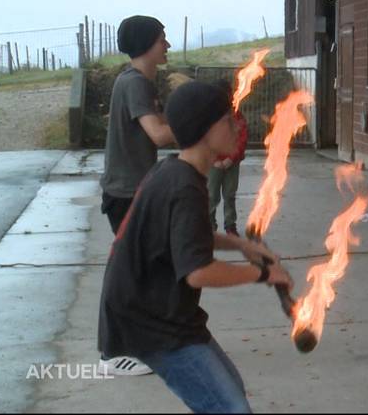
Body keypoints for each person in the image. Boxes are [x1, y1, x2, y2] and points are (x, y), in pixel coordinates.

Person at [98, 81, 293, 413]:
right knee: (229, 407)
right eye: (227, 121)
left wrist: (239, 244)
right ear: (205, 131)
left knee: (230, 391)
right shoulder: (183, 187)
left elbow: (185, 234)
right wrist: (263, 273)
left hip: (164, 314)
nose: (237, 126)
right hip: (149, 323)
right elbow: (198, 273)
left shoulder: (175, 170)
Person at [98, 14, 175, 376]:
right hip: (127, 193)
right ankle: (114, 353)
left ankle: (141, 340)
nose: (168, 45)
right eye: (163, 39)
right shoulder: (136, 85)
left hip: (132, 190)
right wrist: (202, 124)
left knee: (145, 269)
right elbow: (159, 135)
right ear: (147, 44)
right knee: (128, 272)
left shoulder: (138, 81)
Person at [208, 80, 248, 236]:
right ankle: (210, 226)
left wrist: (231, 158)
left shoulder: (236, 114)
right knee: (211, 195)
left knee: (230, 195)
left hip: (232, 162)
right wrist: (214, 160)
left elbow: (242, 138)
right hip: (214, 164)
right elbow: (206, 138)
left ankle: (230, 225)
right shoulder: (209, 115)